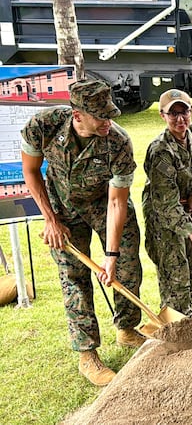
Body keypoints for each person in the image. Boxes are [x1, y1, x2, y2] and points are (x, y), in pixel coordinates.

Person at [20, 80, 145, 386]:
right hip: (62, 207)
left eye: (110, 114)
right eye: (100, 117)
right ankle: (87, 353)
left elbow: (117, 202)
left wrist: (111, 256)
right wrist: (50, 220)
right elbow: (31, 171)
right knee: (74, 276)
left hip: (104, 203)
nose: (108, 122)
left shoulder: (118, 142)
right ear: (77, 115)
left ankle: (127, 329)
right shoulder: (44, 125)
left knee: (127, 265)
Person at [143, 89, 192, 327]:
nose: (180, 119)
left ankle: (186, 313)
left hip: (189, 210)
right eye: (173, 114)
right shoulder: (160, 151)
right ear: (162, 116)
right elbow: (166, 203)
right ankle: (174, 325)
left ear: (191, 111)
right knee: (175, 270)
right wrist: (191, 232)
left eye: (184, 112)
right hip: (164, 215)